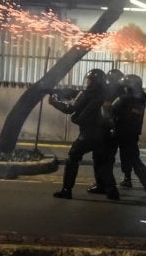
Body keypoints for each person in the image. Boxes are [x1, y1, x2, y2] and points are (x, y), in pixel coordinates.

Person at [49, 68, 120, 200]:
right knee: (103, 162)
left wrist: (55, 103)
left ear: (93, 81)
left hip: (88, 134)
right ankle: (112, 191)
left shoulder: (86, 94)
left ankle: (66, 189)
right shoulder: (106, 94)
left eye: (89, 80)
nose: (87, 82)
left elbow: (70, 109)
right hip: (104, 134)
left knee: (72, 157)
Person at [111, 74, 146, 195]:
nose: (123, 88)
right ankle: (144, 184)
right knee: (132, 157)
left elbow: (110, 111)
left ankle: (111, 186)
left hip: (121, 131)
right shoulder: (141, 99)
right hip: (132, 133)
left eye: (125, 86)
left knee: (109, 158)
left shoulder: (123, 99)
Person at [87, 69, 124, 195]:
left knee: (101, 159)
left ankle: (109, 188)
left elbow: (105, 111)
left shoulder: (109, 93)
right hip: (112, 131)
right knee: (104, 159)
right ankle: (102, 185)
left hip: (105, 131)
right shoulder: (122, 93)